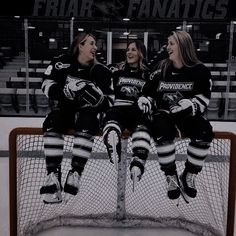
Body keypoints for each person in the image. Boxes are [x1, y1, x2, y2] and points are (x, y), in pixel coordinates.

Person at [138, 31, 214, 200]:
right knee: (161, 129)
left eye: (171, 43)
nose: (167, 47)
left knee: (205, 131)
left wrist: (192, 105)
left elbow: (204, 97)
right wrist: (146, 100)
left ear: (183, 46)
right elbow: (148, 93)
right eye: (167, 43)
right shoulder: (160, 68)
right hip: (164, 114)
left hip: (188, 116)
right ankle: (170, 175)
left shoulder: (200, 71)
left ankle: (189, 174)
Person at [40, 32, 113, 204]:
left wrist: (100, 99)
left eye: (96, 44)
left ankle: (75, 174)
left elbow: (110, 102)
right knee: (52, 121)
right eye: (92, 43)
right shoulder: (61, 62)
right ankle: (53, 175)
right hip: (65, 112)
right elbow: (45, 84)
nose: (96, 47)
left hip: (87, 116)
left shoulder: (101, 71)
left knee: (88, 123)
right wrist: (63, 92)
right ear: (80, 45)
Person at [103, 40, 151, 188]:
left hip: (136, 111)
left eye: (133, 50)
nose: (129, 52)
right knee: (112, 117)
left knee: (143, 125)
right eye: (128, 50)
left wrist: (146, 100)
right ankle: (113, 145)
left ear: (141, 53)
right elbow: (108, 91)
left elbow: (151, 95)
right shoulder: (117, 72)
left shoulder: (147, 74)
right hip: (118, 109)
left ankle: (138, 161)